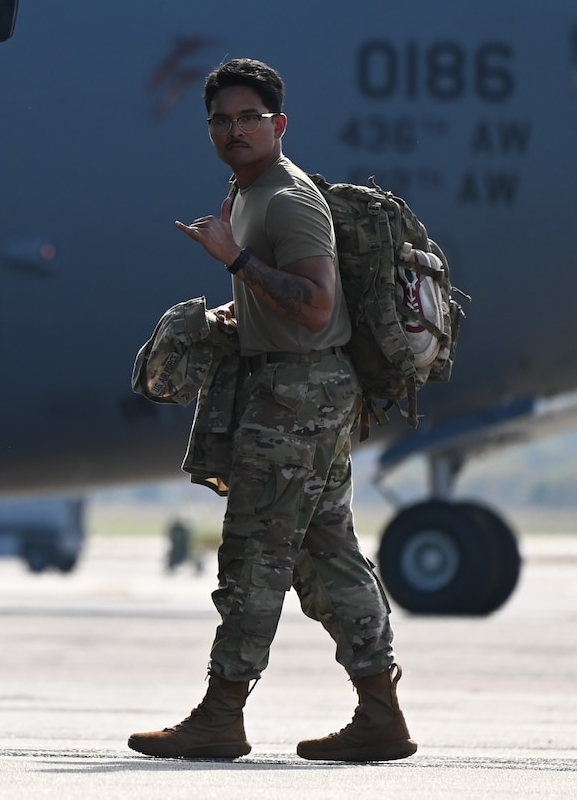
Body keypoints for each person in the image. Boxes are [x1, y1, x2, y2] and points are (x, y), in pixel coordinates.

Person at [128, 58, 415, 763]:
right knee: (327, 557)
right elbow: (295, 304)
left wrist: (235, 261)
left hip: (296, 396)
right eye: (222, 119)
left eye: (249, 118)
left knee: (256, 554)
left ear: (279, 124)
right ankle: (381, 712)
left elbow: (316, 305)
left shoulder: (287, 198)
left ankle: (222, 712)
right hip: (304, 391)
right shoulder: (249, 190)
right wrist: (238, 308)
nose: (235, 130)